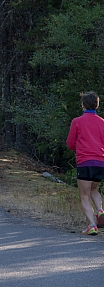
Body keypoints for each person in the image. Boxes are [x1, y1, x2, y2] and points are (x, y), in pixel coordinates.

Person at [66, 91, 104, 235]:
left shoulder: (77, 121)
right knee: (94, 189)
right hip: (101, 162)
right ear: (97, 105)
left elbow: (70, 143)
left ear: (83, 105)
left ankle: (92, 225)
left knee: (84, 195)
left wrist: (79, 147)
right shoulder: (102, 122)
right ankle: (100, 210)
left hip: (85, 161)